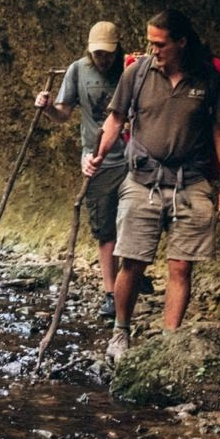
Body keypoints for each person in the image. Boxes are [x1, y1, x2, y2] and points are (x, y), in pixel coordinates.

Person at [84, 10, 220, 364]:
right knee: (132, 262)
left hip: (192, 182)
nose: (153, 50)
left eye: (160, 43)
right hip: (142, 180)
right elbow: (116, 119)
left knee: (181, 267)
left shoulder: (207, 78)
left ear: (181, 42)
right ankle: (121, 332)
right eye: (151, 42)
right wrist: (99, 154)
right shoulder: (136, 73)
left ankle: (169, 341)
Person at [35, 21, 128, 319]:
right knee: (104, 228)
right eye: (98, 54)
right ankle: (111, 293)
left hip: (133, 159)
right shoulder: (78, 70)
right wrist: (47, 107)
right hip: (97, 160)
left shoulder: (129, 70)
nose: (104, 59)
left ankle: (131, 275)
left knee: (132, 222)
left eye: (108, 54)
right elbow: (62, 115)